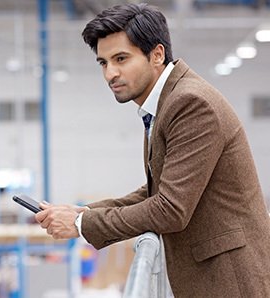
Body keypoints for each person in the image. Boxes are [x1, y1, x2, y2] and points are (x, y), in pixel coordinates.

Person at [35, 3, 270, 297]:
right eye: (103, 63)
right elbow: (155, 190)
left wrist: (82, 224)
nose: (111, 74)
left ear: (157, 54)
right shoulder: (166, 103)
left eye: (121, 58)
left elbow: (170, 209)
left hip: (230, 280)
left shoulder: (191, 103)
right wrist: (86, 211)